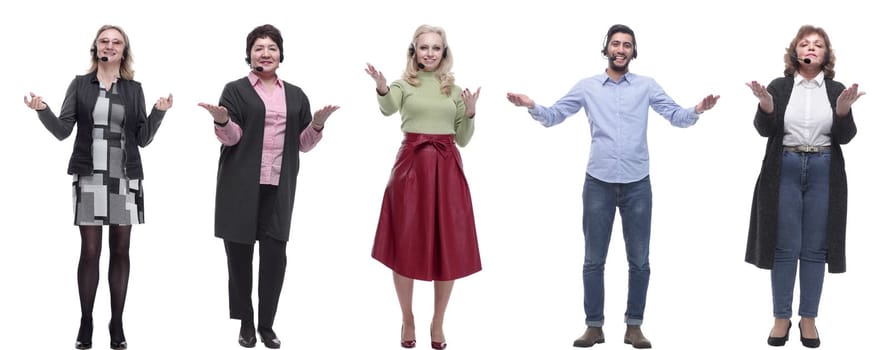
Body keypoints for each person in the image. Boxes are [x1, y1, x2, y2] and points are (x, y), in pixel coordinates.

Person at [506, 24, 719, 349]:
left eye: (627, 45)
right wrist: (531, 105)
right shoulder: (587, 87)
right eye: (616, 44)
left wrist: (698, 110)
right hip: (598, 184)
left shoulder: (647, 86)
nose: (621, 49)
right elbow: (553, 116)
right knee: (593, 260)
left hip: (637, 185)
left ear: (634, 52)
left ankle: (634, 327)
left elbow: (675, 115)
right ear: (606, 48)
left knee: (640, 260)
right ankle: (594, 327)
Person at [23, 24, 173, 350]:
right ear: (96, 47)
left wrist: (158, 114)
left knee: (120, 251)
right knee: (90, 252)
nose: (109, 45)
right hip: (90, 177)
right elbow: (63, 130)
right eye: (104, 41)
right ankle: (86, 320)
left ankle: (116, 323)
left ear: (124, 49)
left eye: (116, 42)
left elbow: (143, 138)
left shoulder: (134, 89)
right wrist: (42, 111)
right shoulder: (80, 85)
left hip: (124, 178)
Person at [198, 24, 338, 349]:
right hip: (240, 187)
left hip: (279, 187)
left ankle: (267, 325)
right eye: (259, 48)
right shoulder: (235, 90)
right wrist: (222, 120)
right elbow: (233, 137)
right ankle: (246, 323)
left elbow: (302, 144)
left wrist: (316, 124)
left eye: (271, 47)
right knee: (240, 258)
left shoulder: (296, 95)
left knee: (275, 257)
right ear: (249, 54)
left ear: (280, 54)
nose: (265, 53)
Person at [745, 24, 863, 349]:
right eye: (805, 44)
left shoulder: (836, 88)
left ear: (825, 55)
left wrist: (842, 111)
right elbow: (764, 129)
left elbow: (845, 137)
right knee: (784, 247)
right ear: (795, 51)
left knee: (814, 248)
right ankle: (781, 317)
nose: (811, 48)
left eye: (818, 45)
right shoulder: (779, 87)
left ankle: (808, 318)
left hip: (824, 169)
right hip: (785, 167)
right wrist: (766, 105)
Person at [365, 24, 481, 350]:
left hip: (446, 168)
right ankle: (408, 318)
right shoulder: (404, 84)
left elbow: (463, 139)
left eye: (436, 48)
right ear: (413, 51)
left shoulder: (454, 90)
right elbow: (388, 110)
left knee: (449, 245)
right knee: (405, 242)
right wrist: (383, 87)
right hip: (411, 168)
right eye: (423, 47)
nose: (429, 53)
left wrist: (470, 112)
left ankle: (438, 322)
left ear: (444, 52)